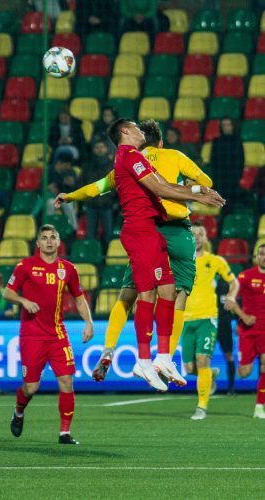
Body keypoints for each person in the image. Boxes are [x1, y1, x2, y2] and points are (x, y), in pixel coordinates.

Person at [56, 118, 225, 391]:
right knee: (163, 293)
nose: (138, 131)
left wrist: (72, 196)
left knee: (156, 291)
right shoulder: (139, 156)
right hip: (155, 230)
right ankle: (144, 360)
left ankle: (162, 355)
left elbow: (98, 188)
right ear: (126, 132)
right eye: (134, 127)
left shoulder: (139, 159)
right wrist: (199, 191)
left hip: (154, 231)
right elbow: (167, 186)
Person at [3, 224, 94, 444]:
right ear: (38, 243)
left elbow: (79, 298)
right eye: (44, 238)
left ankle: (64, 432)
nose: (49, 241)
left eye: (53, 237)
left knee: (66, 381)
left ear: (59, 241)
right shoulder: (25, 266)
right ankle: (19, 411)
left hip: (57, 334)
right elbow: (7, 292)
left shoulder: (68, 269)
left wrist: (89, 323)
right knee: (31, 387)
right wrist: (24, 300)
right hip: (32, 335)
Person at [181, 223, 238, 420]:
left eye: (200, 234)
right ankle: (210, 374)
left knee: (202, 360)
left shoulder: (215, 261)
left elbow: (234, 282)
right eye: (193, 234)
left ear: (206, 238)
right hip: (186, 319)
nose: (196, 237)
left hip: (208, 318)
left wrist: (231, 297)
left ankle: (201, 407)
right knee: (189, 368)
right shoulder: (181, 262)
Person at [227, 244, 265, 419]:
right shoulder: (245, 276)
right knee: (245, 373)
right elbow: (230, 300)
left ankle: (259, 406)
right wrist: (243, 316)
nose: (263, 257)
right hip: (248, 330)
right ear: (256, 257)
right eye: (261, 254)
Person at [81, 139, 116, 246]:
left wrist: (112, 199)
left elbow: (117, 185)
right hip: (91, 205)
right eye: (97, 147)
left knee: (108, 234)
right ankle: (92, 258)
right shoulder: (88, 165)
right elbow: (82, 183)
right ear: (93, 149)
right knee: (90, 234)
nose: (99, 150)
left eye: (102, 147)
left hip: (107, 205)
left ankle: (106, 258)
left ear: (106, 148)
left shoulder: (112, 165)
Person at [210, 117, 245, 209]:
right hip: (219, 178)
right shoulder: (216, 142)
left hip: (233, 179)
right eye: (224, 125)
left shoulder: (238, 141)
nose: (226, 127)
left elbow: (241, 162)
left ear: (233, 126)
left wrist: (235, 177)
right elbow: (213, 162)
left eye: (228, 125)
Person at [46, 151, 78, 231]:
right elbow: (41, 186)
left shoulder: (70, 171)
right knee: (50, 203)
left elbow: (77, 187)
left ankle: (74, 228)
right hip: (52, 197)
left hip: (66, 196)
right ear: (59, 163)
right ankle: (49, 228)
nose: (68, 167)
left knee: (67, 204)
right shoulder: (49, 170)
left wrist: (73, 184)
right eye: (66, 165)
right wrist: (48, 187)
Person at [216, 277, 236, 395]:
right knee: (202, 356)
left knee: (229, 355)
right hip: (209, 321)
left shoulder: (227, 283)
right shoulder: (206, 281)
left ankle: (231, 388)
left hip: (224, 323)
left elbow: (234, 304)